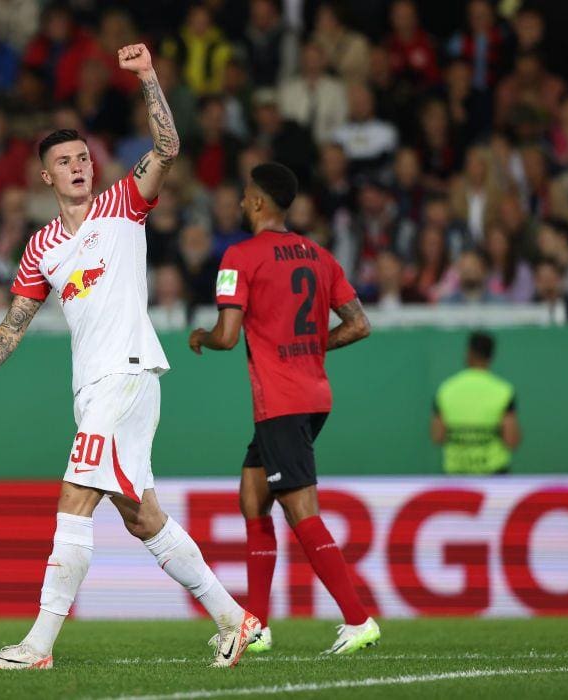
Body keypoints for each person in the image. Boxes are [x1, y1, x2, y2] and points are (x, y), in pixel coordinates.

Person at [0, 44, 258, 671]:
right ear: (46, 177)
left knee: (73, 497)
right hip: (95, 387)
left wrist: (147, 77)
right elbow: (15, 322)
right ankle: (235, 617)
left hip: (127, 372)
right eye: (63, 161)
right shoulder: (40, 248)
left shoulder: (122, 206)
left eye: (83, 157)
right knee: (143, 518)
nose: (78, 166)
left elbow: (168, 149)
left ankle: (37, 645)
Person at [188, 162, 380, 656]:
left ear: (257, 203)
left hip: (281, 402)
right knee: (253, 498)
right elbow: (359, 325)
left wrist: (202, 337)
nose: (239, 202)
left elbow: (229, 337)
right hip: (312, 395)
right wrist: (312, 347)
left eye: (244, 195)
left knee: (300, 510)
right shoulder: (319, 254)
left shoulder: (239, 255)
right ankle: (257, 624)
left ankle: (358, 619)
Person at [431, 332, 521, 475]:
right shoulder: (503, 391)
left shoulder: (446, 389)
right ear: (491, 356)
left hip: (456, 476)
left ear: (468, 353)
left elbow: (437, 437)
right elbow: (511, 440)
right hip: (494, 476)